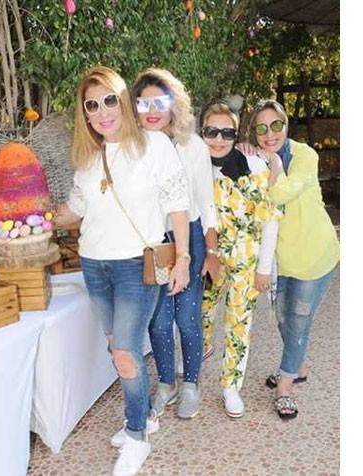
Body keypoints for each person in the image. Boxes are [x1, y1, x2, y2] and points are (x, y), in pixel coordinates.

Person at [54, 66, 191, 476]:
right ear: (85, 113)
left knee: (125, 353)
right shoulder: (88, 157)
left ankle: (137, 435)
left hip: (136, 266)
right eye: (91, 105)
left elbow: (177, 206)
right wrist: (35, 216)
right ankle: (145, 415)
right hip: (94, 266)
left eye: (109, 100)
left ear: (124, 101)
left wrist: (183, 258)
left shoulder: (154, 145)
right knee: (118, 345)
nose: (102, 112)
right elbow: (75, 209)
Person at [131, 68, 219, 420]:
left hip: (190, 237)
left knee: (187, 316)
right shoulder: (132, 148)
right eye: (144, 103)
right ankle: (166, 384)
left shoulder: (191, 146)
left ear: (174, 105)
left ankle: (191, 384)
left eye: (161, 102)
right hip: (152, 242)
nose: (153, 111)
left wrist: (210, 251)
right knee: (158, 320)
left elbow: (206, 202)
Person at [246, 99, 340, 420]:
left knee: (299, 320)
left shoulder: (304, 155)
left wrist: (274, 162)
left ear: (286, 125)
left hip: (314, 255)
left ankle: (285, 387)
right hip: (281, 260)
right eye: (261, 128)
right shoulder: (256, 159)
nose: (269, 133)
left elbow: (281, 193)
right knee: (282, 319)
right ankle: (297, 366)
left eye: (276, 125)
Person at [199, 99, 282, 418]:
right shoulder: (195, 167)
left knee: (238, 324)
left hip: (246, 261)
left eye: (227, 133)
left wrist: (264, 269)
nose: (219, 139)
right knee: (200, 313)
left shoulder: (256, 166)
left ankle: (231, 387)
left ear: (236, 136)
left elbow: (270, 219)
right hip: (209, 257)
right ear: (202, 132)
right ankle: (201, 352)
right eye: (211, 132)